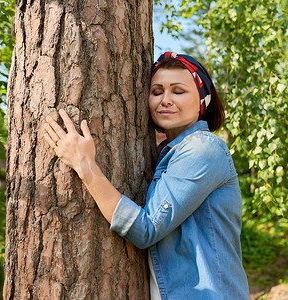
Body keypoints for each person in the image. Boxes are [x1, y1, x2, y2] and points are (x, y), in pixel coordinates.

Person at [43, 52, 250, 299]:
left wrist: (84, 165)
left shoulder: (203, 149)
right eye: (157, 91)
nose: (165, 100)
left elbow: (146, 229)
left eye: (178, 91)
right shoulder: (170, 154)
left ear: (202, 101)